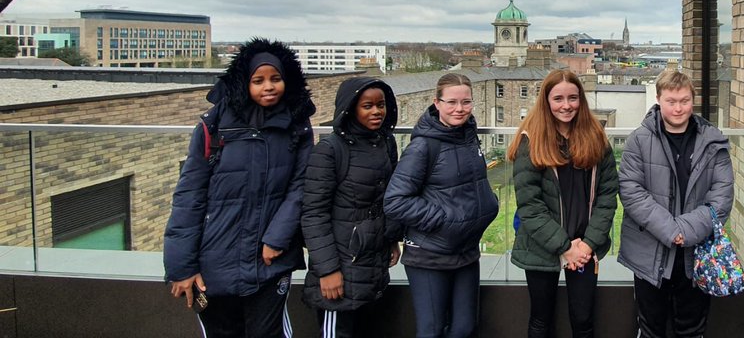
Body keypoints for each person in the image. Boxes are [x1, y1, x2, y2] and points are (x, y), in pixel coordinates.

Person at [164, 38, 316, 338]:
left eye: (276, 79)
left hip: (270, 260)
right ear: (243, 82)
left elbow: (301, 187)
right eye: (258, 80)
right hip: (214, 261)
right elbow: (189, 196)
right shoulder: (214, 125)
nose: (268, 86)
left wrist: (277, 238)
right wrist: (181, 267)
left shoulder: (298, 125)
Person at [618, 69, 734, 338]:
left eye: (684, 100)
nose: (679, 108)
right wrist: (672, 231)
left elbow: (723, 194)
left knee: (692, 330)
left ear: (692, 100)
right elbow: (631, 192)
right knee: (650, 329)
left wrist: (687, 230)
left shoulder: (712, 140)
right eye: (671, 101)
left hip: (696, 254)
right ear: (658, 99)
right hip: (650, 253)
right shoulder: (639, 139)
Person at [383, 73, 498, 338]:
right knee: (432, 330)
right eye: (452, 102)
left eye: (466, 102)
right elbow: (395, 201)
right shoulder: (423, 146)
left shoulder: (468, 137)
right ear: (437, 103)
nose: (460, 109)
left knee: (465, 328)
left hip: (466, 250)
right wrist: (443, 220)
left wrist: (488, 205)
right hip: (430, 254)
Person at [507, 69, 618, 338]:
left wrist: (587, 244)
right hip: (542, 247)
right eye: (558, 98)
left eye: (573, 98)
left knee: (583, 320)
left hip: (584, 246)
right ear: (546, 101)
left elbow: (607, 196)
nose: (566, 105)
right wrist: (565, 248)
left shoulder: (597, 138)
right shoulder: (530, 142)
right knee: (541, 319)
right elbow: (530, 206)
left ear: (581, 100)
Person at [301, 77, 402, 337]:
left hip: (371, 262)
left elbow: (386, 199)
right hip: (340, 265)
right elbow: (313, 214)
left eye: (381, 105)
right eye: (367, 106)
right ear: (350, 109)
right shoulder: (330, 150)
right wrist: (328, 270)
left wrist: (392, 240)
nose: (377, 111)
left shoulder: (385, 142)